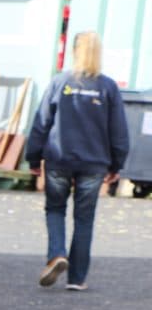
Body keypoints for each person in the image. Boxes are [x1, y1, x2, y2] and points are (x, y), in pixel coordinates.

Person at [25, 30, 129, 291]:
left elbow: (41, 123)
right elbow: (118, 130)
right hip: (94, 163)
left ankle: (57, 254)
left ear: (74, 52)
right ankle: (77, 278)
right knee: (84, 218)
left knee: (56, 209)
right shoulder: (108, 87)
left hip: (59, 158)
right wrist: (117, 164)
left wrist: (33, 157)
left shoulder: (60, 82)